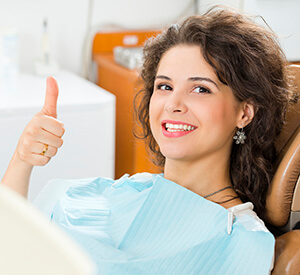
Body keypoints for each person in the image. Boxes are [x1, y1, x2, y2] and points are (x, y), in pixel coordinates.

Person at [1, 6, 293, 275]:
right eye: (164, 86)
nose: (173, 104)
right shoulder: (114, 193)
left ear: (244, 113)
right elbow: (9, 250)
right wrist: (21, 161)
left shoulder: (240, 244)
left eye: (200, 89)